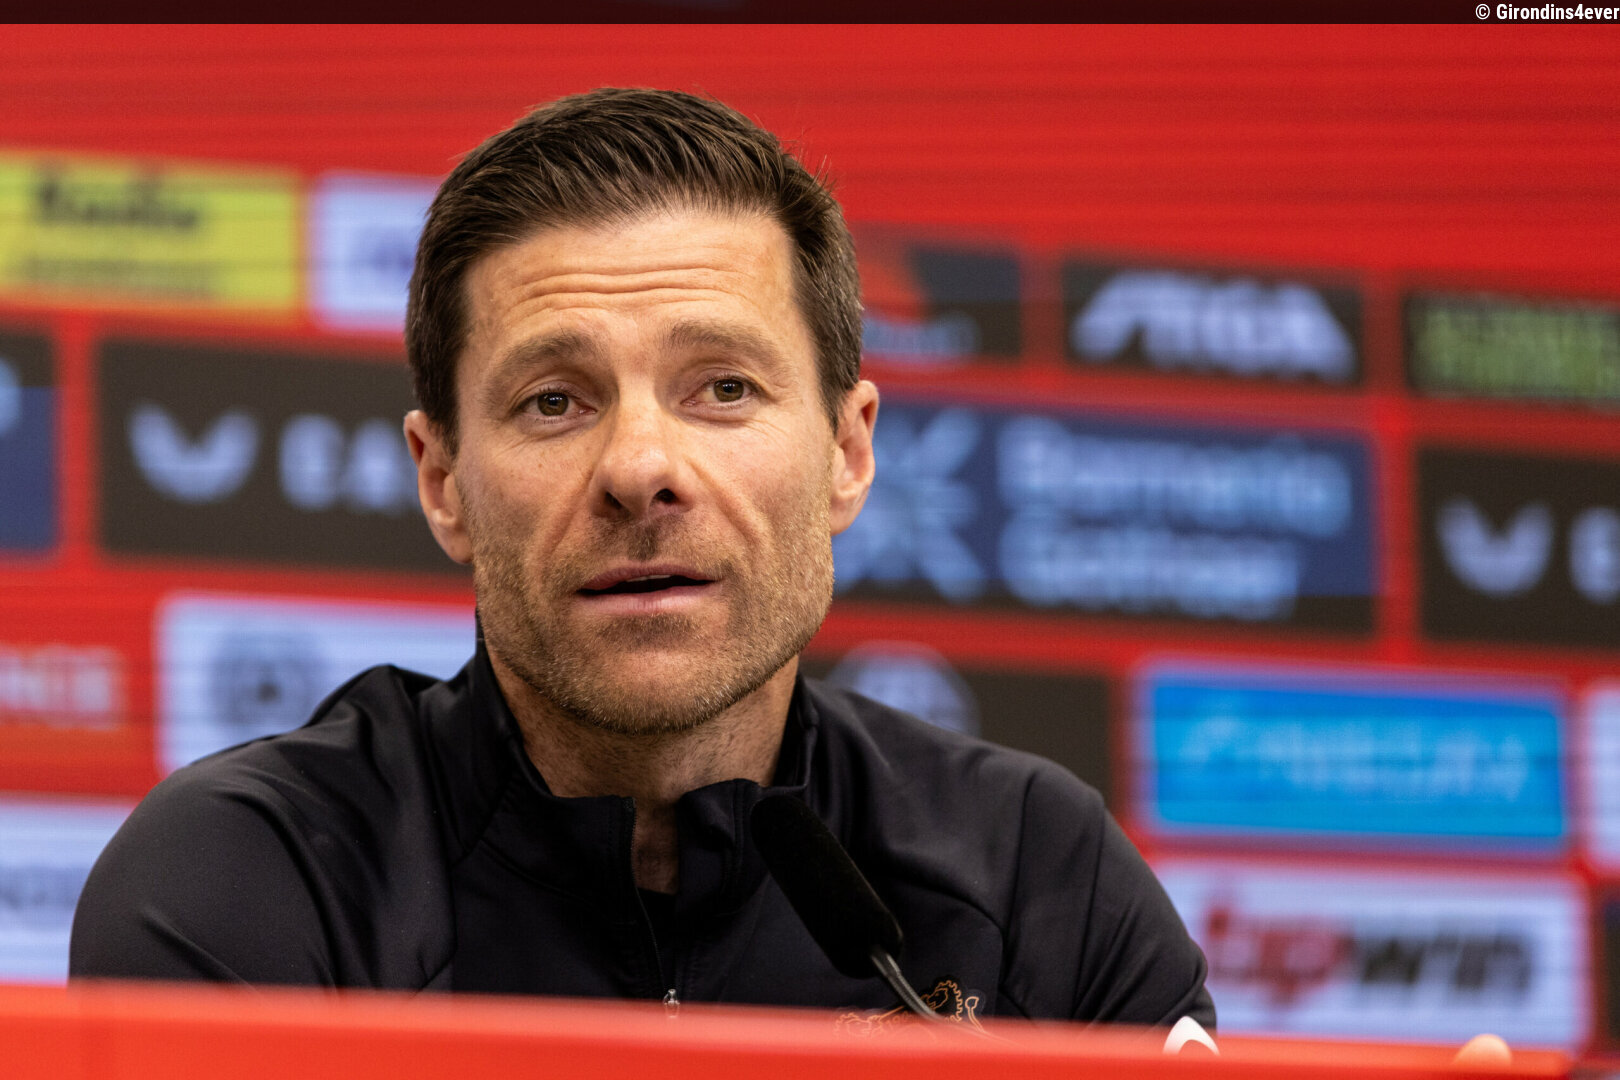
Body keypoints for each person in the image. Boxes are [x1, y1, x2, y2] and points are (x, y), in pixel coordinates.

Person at [70, 87, 1214, 1030]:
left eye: (724, 387)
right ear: (442, 482)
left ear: (848, 453)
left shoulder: (1034, 872)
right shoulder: (257, 876)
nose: (640, 467)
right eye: (553, 401)